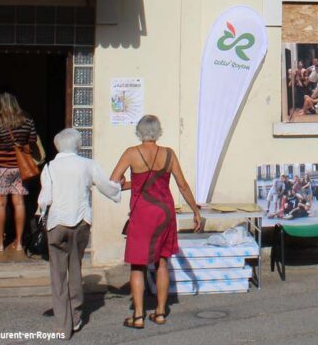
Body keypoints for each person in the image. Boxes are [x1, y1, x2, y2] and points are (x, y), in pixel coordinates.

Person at [111, 115, 203, 329]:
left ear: (139, 131)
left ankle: (139, 315)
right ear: (158, 131)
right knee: (162, 262)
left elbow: (114, 181)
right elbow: (182, 184)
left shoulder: (131, 153)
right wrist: (195, 210)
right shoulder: (168, 154)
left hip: (142, 213)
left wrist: (127, 184)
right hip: (164, 212)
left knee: (137, 265)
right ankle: (160, 312)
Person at [36, 128, 121, 338]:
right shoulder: (87, 164)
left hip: (56, 224)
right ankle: (75, 316)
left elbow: (44, 199)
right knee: (75, 269)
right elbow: (106, 186)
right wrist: (118, 189)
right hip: (81, 222)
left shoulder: (49, 168)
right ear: (77, 145)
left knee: (58, 275)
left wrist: (39, 214)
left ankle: (62, 325)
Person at [0, 92, 42, 253]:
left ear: (2, 105)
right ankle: (19, 242)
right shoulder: (27, 120)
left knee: (0, 204)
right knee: (19, 203)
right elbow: (33, 139)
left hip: (0, 167)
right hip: (20, 168)